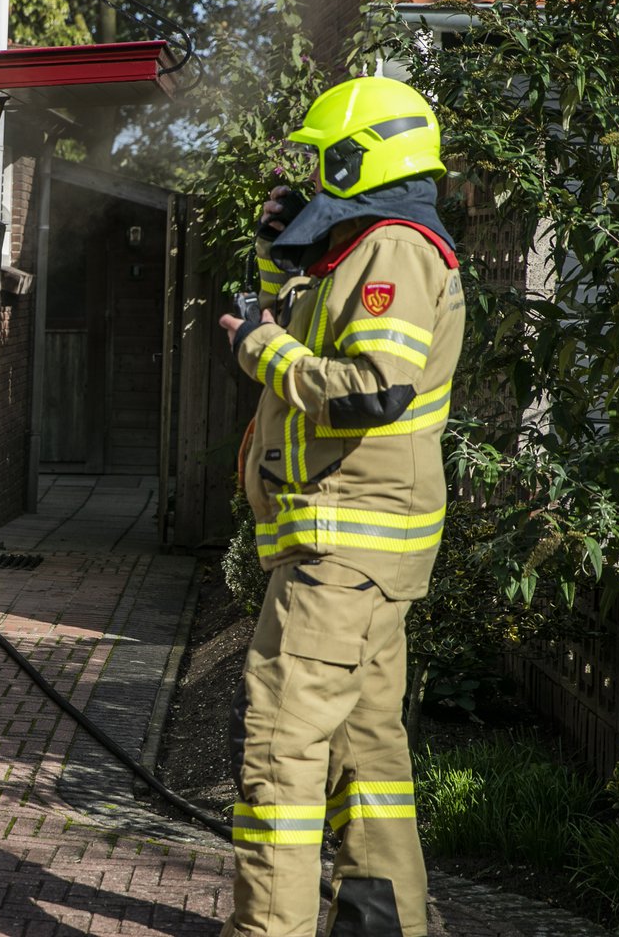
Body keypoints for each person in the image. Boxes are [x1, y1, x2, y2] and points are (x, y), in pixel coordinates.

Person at [216, 75, 465, 936]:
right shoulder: (367, 248)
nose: (314, 177)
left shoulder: (393, 250)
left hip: (340, 553)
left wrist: (262, 351)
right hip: (360, 555)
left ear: (364, 158)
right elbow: (324, 338)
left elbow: (370, 392)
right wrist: (276, 262)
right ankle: (384, 925)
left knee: (282, 754)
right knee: (368, 756)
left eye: (325, 163)